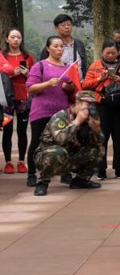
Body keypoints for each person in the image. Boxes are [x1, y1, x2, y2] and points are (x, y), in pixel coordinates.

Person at [25, 36, 77, 188]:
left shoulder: (67, 67)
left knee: (64, 141)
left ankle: (65, 173)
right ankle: (32, 174)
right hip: (41, 110)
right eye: (56, 46)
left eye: (62, 46)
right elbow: (30, 88)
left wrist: (69, 87)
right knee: (37, 142)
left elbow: (71, 88)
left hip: (61, 111)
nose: (59, 49)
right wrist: (47, 83)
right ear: (48, 48)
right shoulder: (39, 66)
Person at [83, 39, 120, 180]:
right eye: (108, 53)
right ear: (102, 52)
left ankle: (118, 169)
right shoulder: (95, 65)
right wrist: (100, 79)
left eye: (113, 53)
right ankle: (101, 169)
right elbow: (86, 85)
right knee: (102, 138)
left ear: (118, 53)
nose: (110, 55)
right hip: (102, 105)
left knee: (119, 137)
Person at [32, 91, 104, 196]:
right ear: (78, 103)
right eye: (87, 105)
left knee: (98, 150)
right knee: (58, 152)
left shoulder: (88, 119)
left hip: (70, 155)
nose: (90, 108)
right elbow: (60, 140)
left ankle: (80, 180)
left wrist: (96, 129)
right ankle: (42, 183)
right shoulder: (61, 116)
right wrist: (76, 122)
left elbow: (98, 142)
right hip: (47, 156)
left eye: (93, 105)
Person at [2, 28, 34, 174]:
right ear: (7, 39)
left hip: (23, 97)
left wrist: (27, 73)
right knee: (7, 130)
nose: (16, 40)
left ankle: (22, 161)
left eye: (18, 37)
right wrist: (11, 74)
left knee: (22, 130)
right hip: (6, 98)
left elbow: (35, 77)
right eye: (13, 37)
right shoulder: (2, 56)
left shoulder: (28, 56)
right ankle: (8, 162)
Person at [39, 13, 88, 79]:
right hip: (58, 84)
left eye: (69, 24)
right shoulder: (51, 47)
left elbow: (83, 65)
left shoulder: (79, 44)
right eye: (63, 25)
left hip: (79, 84)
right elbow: (43, 67)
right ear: (56, 28)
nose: (67, 27)